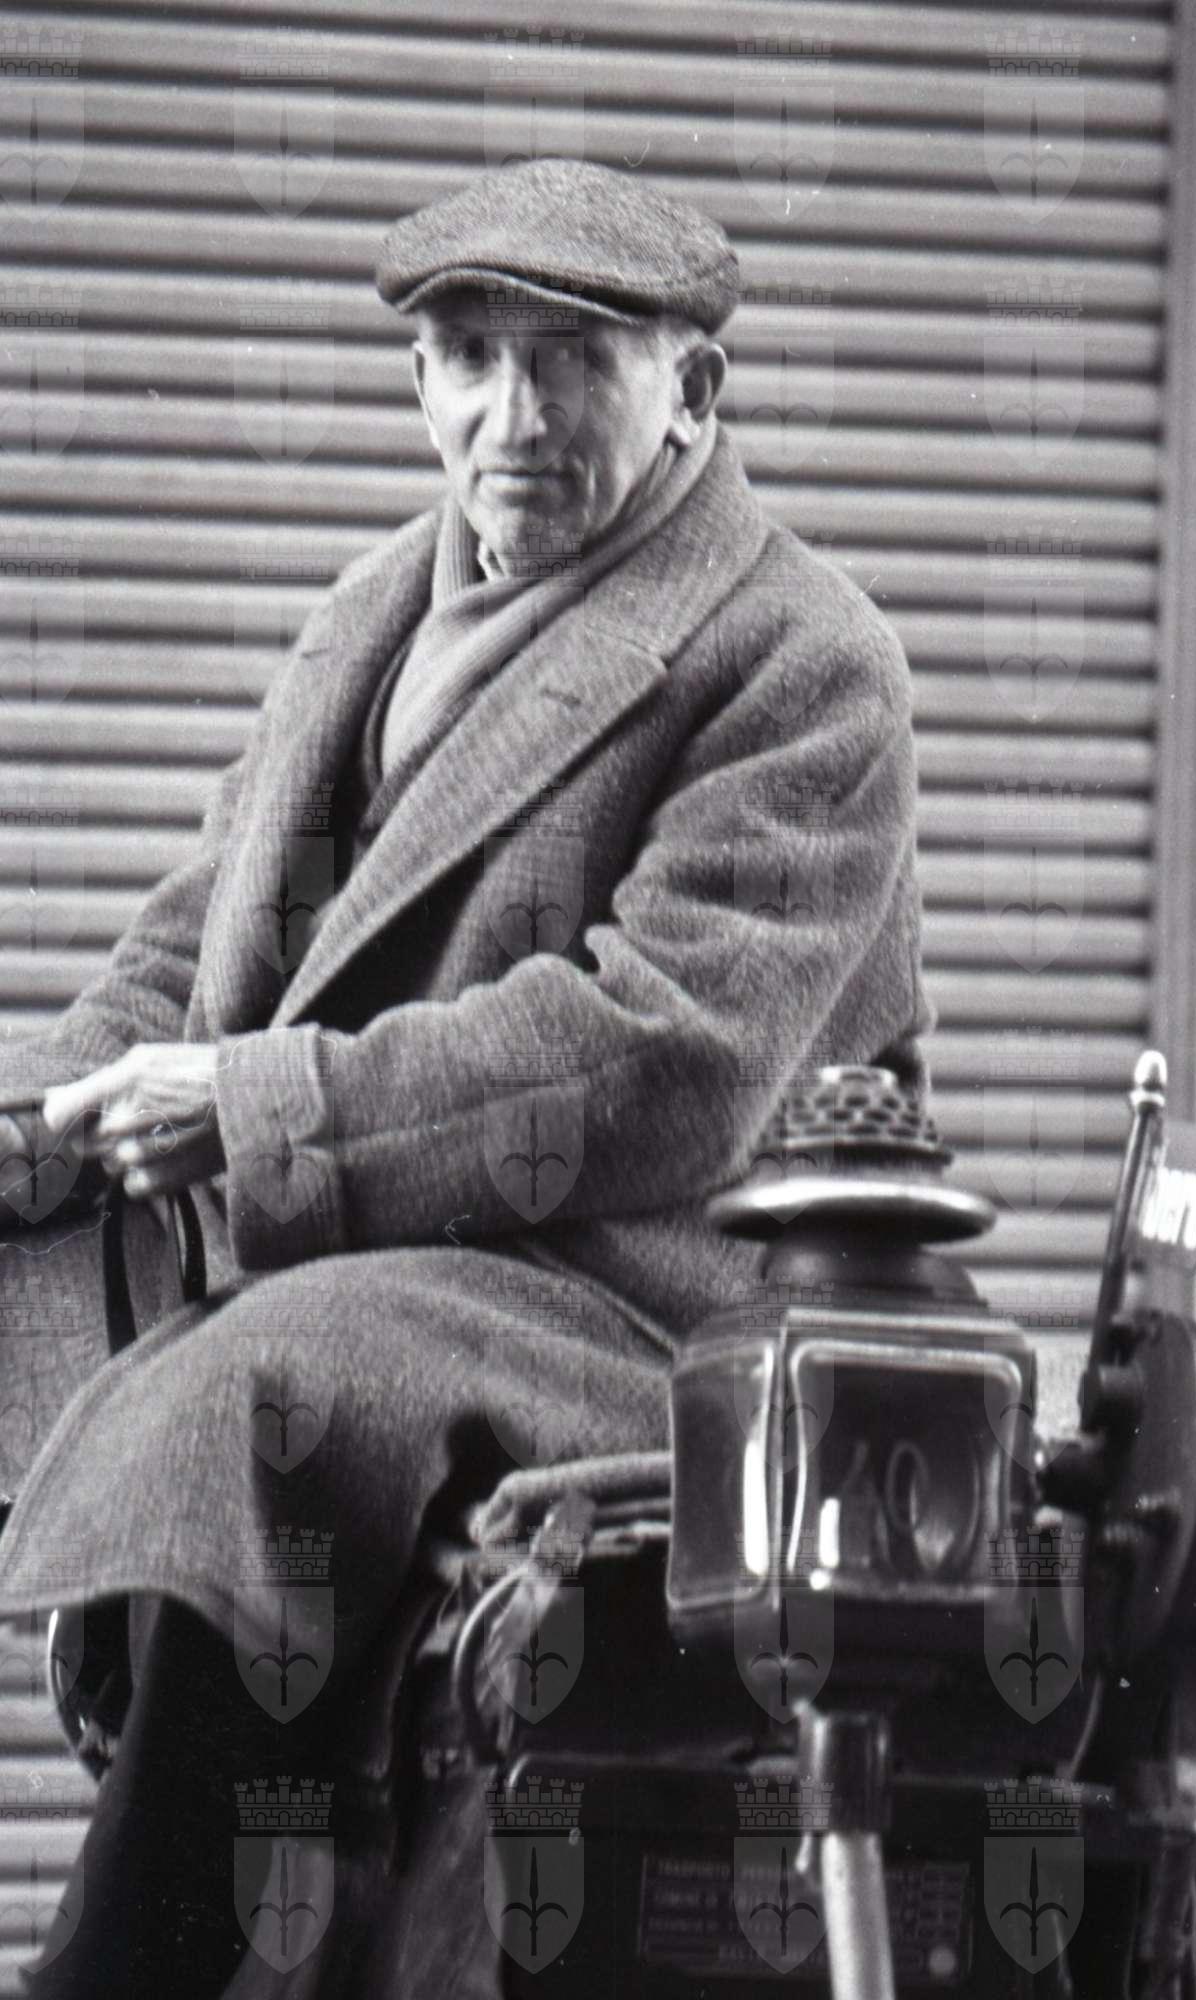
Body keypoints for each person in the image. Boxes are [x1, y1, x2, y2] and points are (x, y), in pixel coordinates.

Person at [0, 156, 933, 1995]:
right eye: (472, 356)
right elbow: (210, 934)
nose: (515, 416)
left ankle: (133, 1956)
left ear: (692, 389)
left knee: (272, 1378)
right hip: (412, 1258)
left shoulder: (802, 657)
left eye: (574, 360)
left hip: (658, 1301)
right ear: (417, 381)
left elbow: (663, 1050)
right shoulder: (376, 612)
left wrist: (265, 1109)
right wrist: (46, 1114)